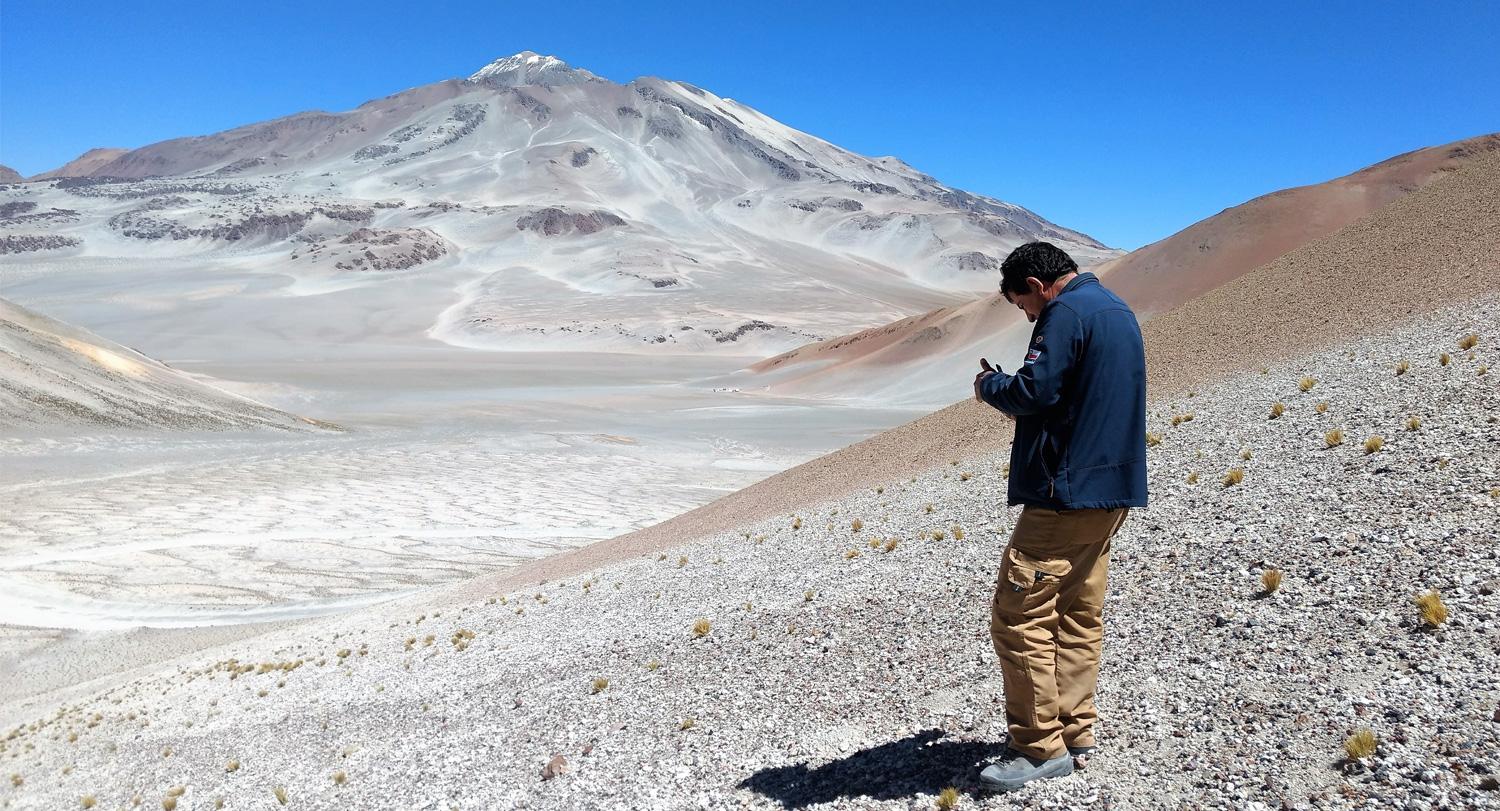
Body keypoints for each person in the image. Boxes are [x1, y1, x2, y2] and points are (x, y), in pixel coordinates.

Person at [971, 241, 1148, 791]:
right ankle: (1073, 729)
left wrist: (990, 386)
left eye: (1021, 302)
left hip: (1063, 495)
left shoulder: (1064, 313)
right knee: (1074, 613)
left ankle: (1037, 747)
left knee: (1019, 616)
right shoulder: (1116, 310)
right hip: (1109, 490)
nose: (1026, 313)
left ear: (1036, 283)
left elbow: (1034, 389)